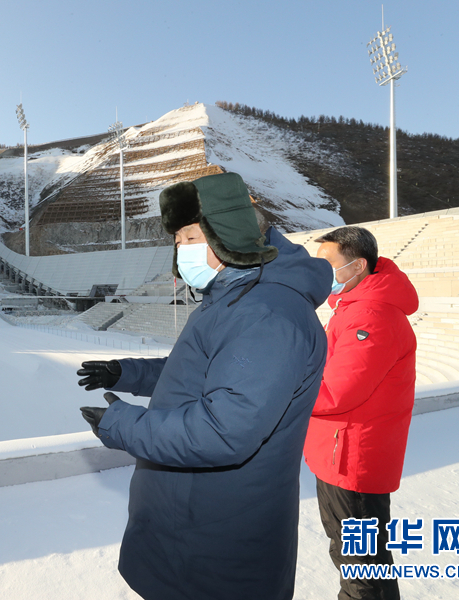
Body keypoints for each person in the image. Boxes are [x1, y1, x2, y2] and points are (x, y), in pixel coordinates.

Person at [78, 172, 332, 600]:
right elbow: (197, 372)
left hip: (213, 535)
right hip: (188, 518)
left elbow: (224, 429)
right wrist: (127, 373)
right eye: (177, 238)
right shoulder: (233, 296)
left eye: (188, 235)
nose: (180, 248)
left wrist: (123, 425)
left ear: (225, 233)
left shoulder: (266, 315)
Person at [304, 226, 418, 600]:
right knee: (365, 562)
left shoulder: (370, 316)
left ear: (358, 266)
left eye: (328, 265)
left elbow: (338, 392)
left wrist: (278, 389)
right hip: (342, 452)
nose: (321, 274)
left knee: (359, 567)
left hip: (353, 459)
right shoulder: (354, 307)